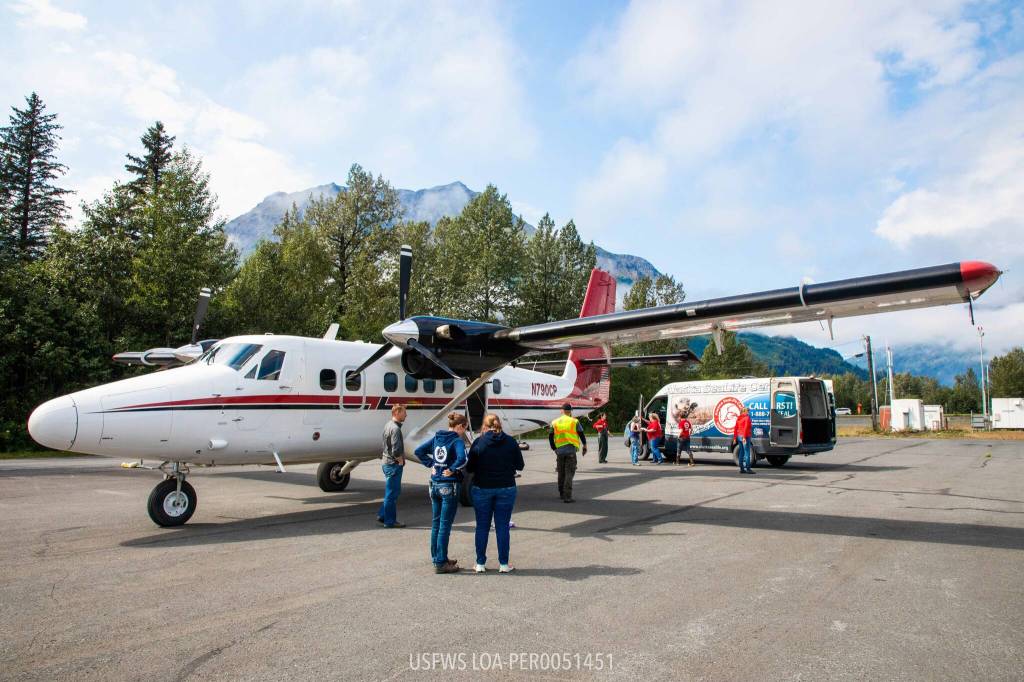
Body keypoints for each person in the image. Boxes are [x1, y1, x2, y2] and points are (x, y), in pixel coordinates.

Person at [467, 414, 524, 573]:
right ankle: (504, 564)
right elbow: (520, 465)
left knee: (482, 527)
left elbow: (470, 468)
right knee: (502, 527)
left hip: (482, 488)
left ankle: (480, 563)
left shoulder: (479, 442)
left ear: (484, 426)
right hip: (506, 487)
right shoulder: (511, 442)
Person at [415, 412, 470, 573]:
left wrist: (432, 464)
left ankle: (438, 557)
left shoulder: (437, 438)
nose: (464, 433)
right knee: (445, 525)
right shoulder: (456, 440)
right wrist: (452, 469)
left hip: (434, 483)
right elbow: (463, 459)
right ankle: (440, 563)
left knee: (436, 523)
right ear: (460, 426)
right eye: (464, 429)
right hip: (448, 485)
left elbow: (419, 451)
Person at [548, 403, 587, 502]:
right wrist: (585, 445)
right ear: (570, 411)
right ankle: (567, 497)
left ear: (562, 410)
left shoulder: (554, 422)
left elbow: (550, 436)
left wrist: (554, 448)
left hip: (559, 451)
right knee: (569, 473)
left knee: (561, 473)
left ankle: (561, 493)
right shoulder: (575, 421)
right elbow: (581, 434)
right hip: (570, 451)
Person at [378, 404, 407, 528]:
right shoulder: (395, 429)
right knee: (392, 494)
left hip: (386, 462)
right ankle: (390, 521)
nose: (406, 415)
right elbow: (395, 450)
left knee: (391, 492)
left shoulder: (387, 425)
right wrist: (400, 460)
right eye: (404, 412)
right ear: (397, 413)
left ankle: (382, 514)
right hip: (393, 464)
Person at [734, 406, 754, 474]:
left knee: (741, 452)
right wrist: (744, 437)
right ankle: (748, 469)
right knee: (747, 452)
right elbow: (745, 428)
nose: (749, 412)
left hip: (739, 436)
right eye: (748, 411)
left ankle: (742, 469)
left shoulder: (738, 418)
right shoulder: (747, 418)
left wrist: (734, 438)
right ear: (745, 411)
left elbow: (735, 428)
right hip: (745, 436)